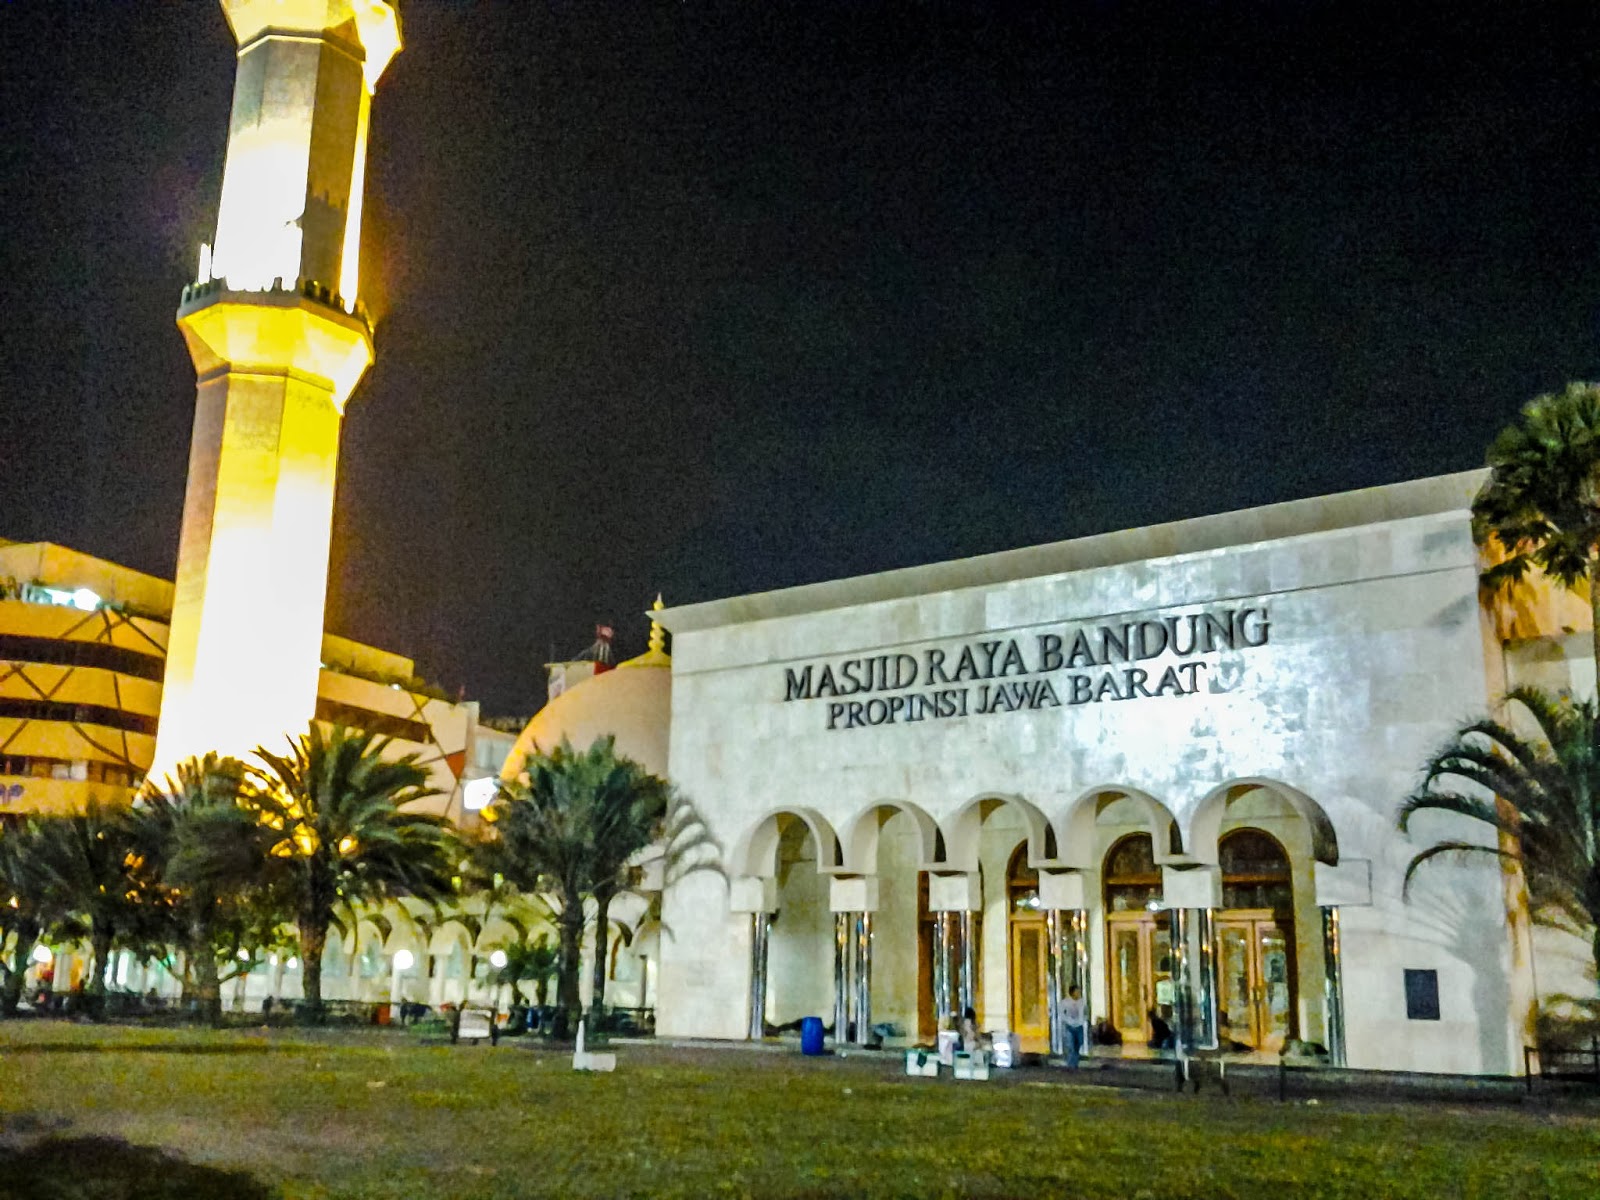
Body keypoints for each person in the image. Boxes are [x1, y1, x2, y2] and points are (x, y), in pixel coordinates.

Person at [1061, 985, 1088, 1068]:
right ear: (1072, 993)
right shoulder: (1065, 1002)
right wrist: (1066, 1021)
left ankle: (1075, 1063)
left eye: (1079, 991)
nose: (1078, 993)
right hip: (1069, 1026)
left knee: (1078, 1044)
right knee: (1070, 1046)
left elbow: (1085, 1012)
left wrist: (1083, 1020)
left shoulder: (1082, 1002)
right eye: (1077, 991)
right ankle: (1070, 1064)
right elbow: (1062, 1013)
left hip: (1079, 1026)